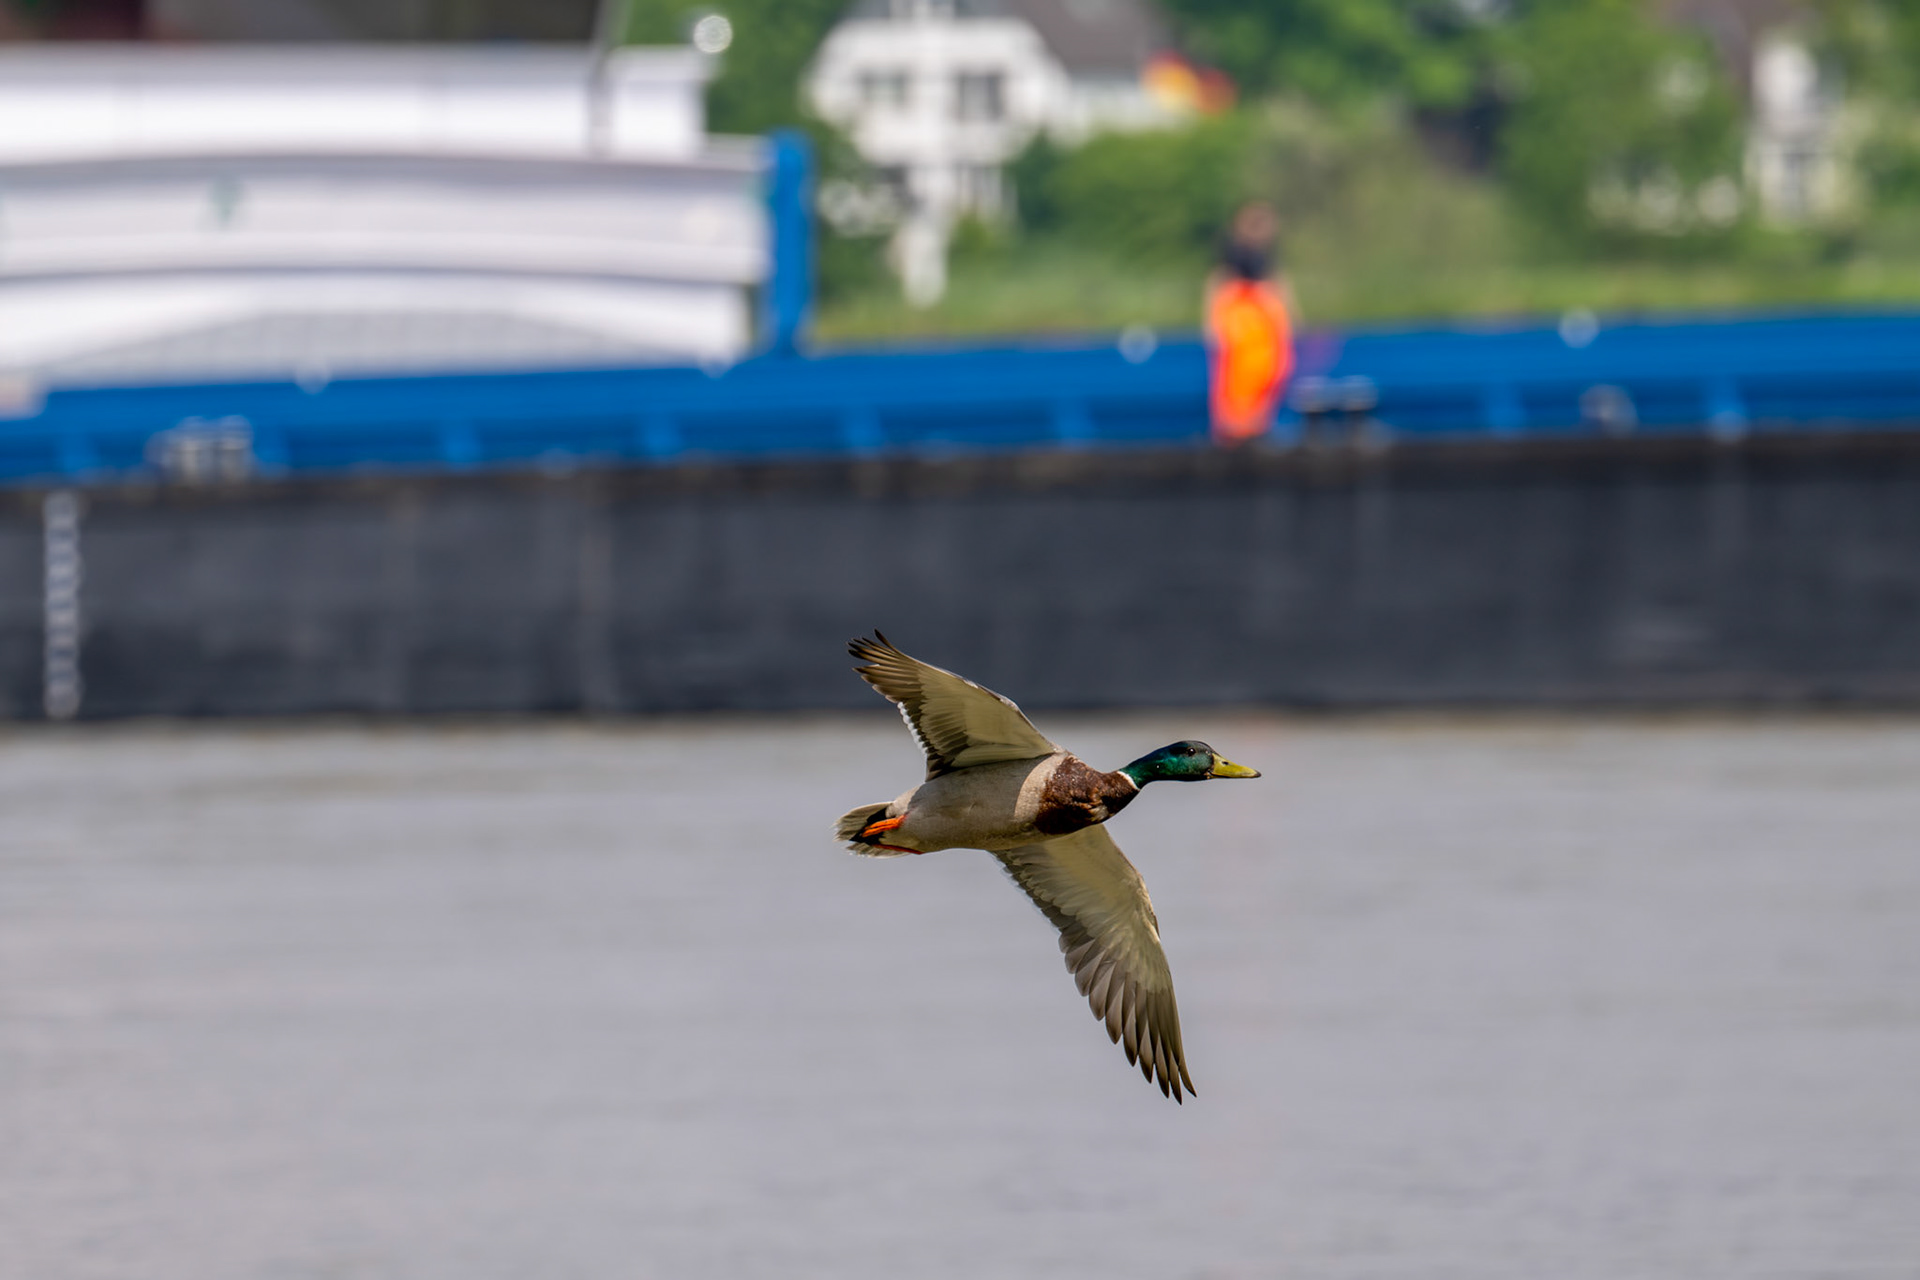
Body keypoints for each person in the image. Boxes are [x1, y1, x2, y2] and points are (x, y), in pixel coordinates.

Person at [1205, 201, 1296, 446]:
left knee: (1266, 374)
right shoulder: (1234, 257)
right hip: (1245, 326)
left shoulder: (1267, 260)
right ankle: (1239, 430)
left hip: (1260, 329)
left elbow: (1278, 291)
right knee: (1241, 384)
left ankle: (1253, 427)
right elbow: (1220, 286)